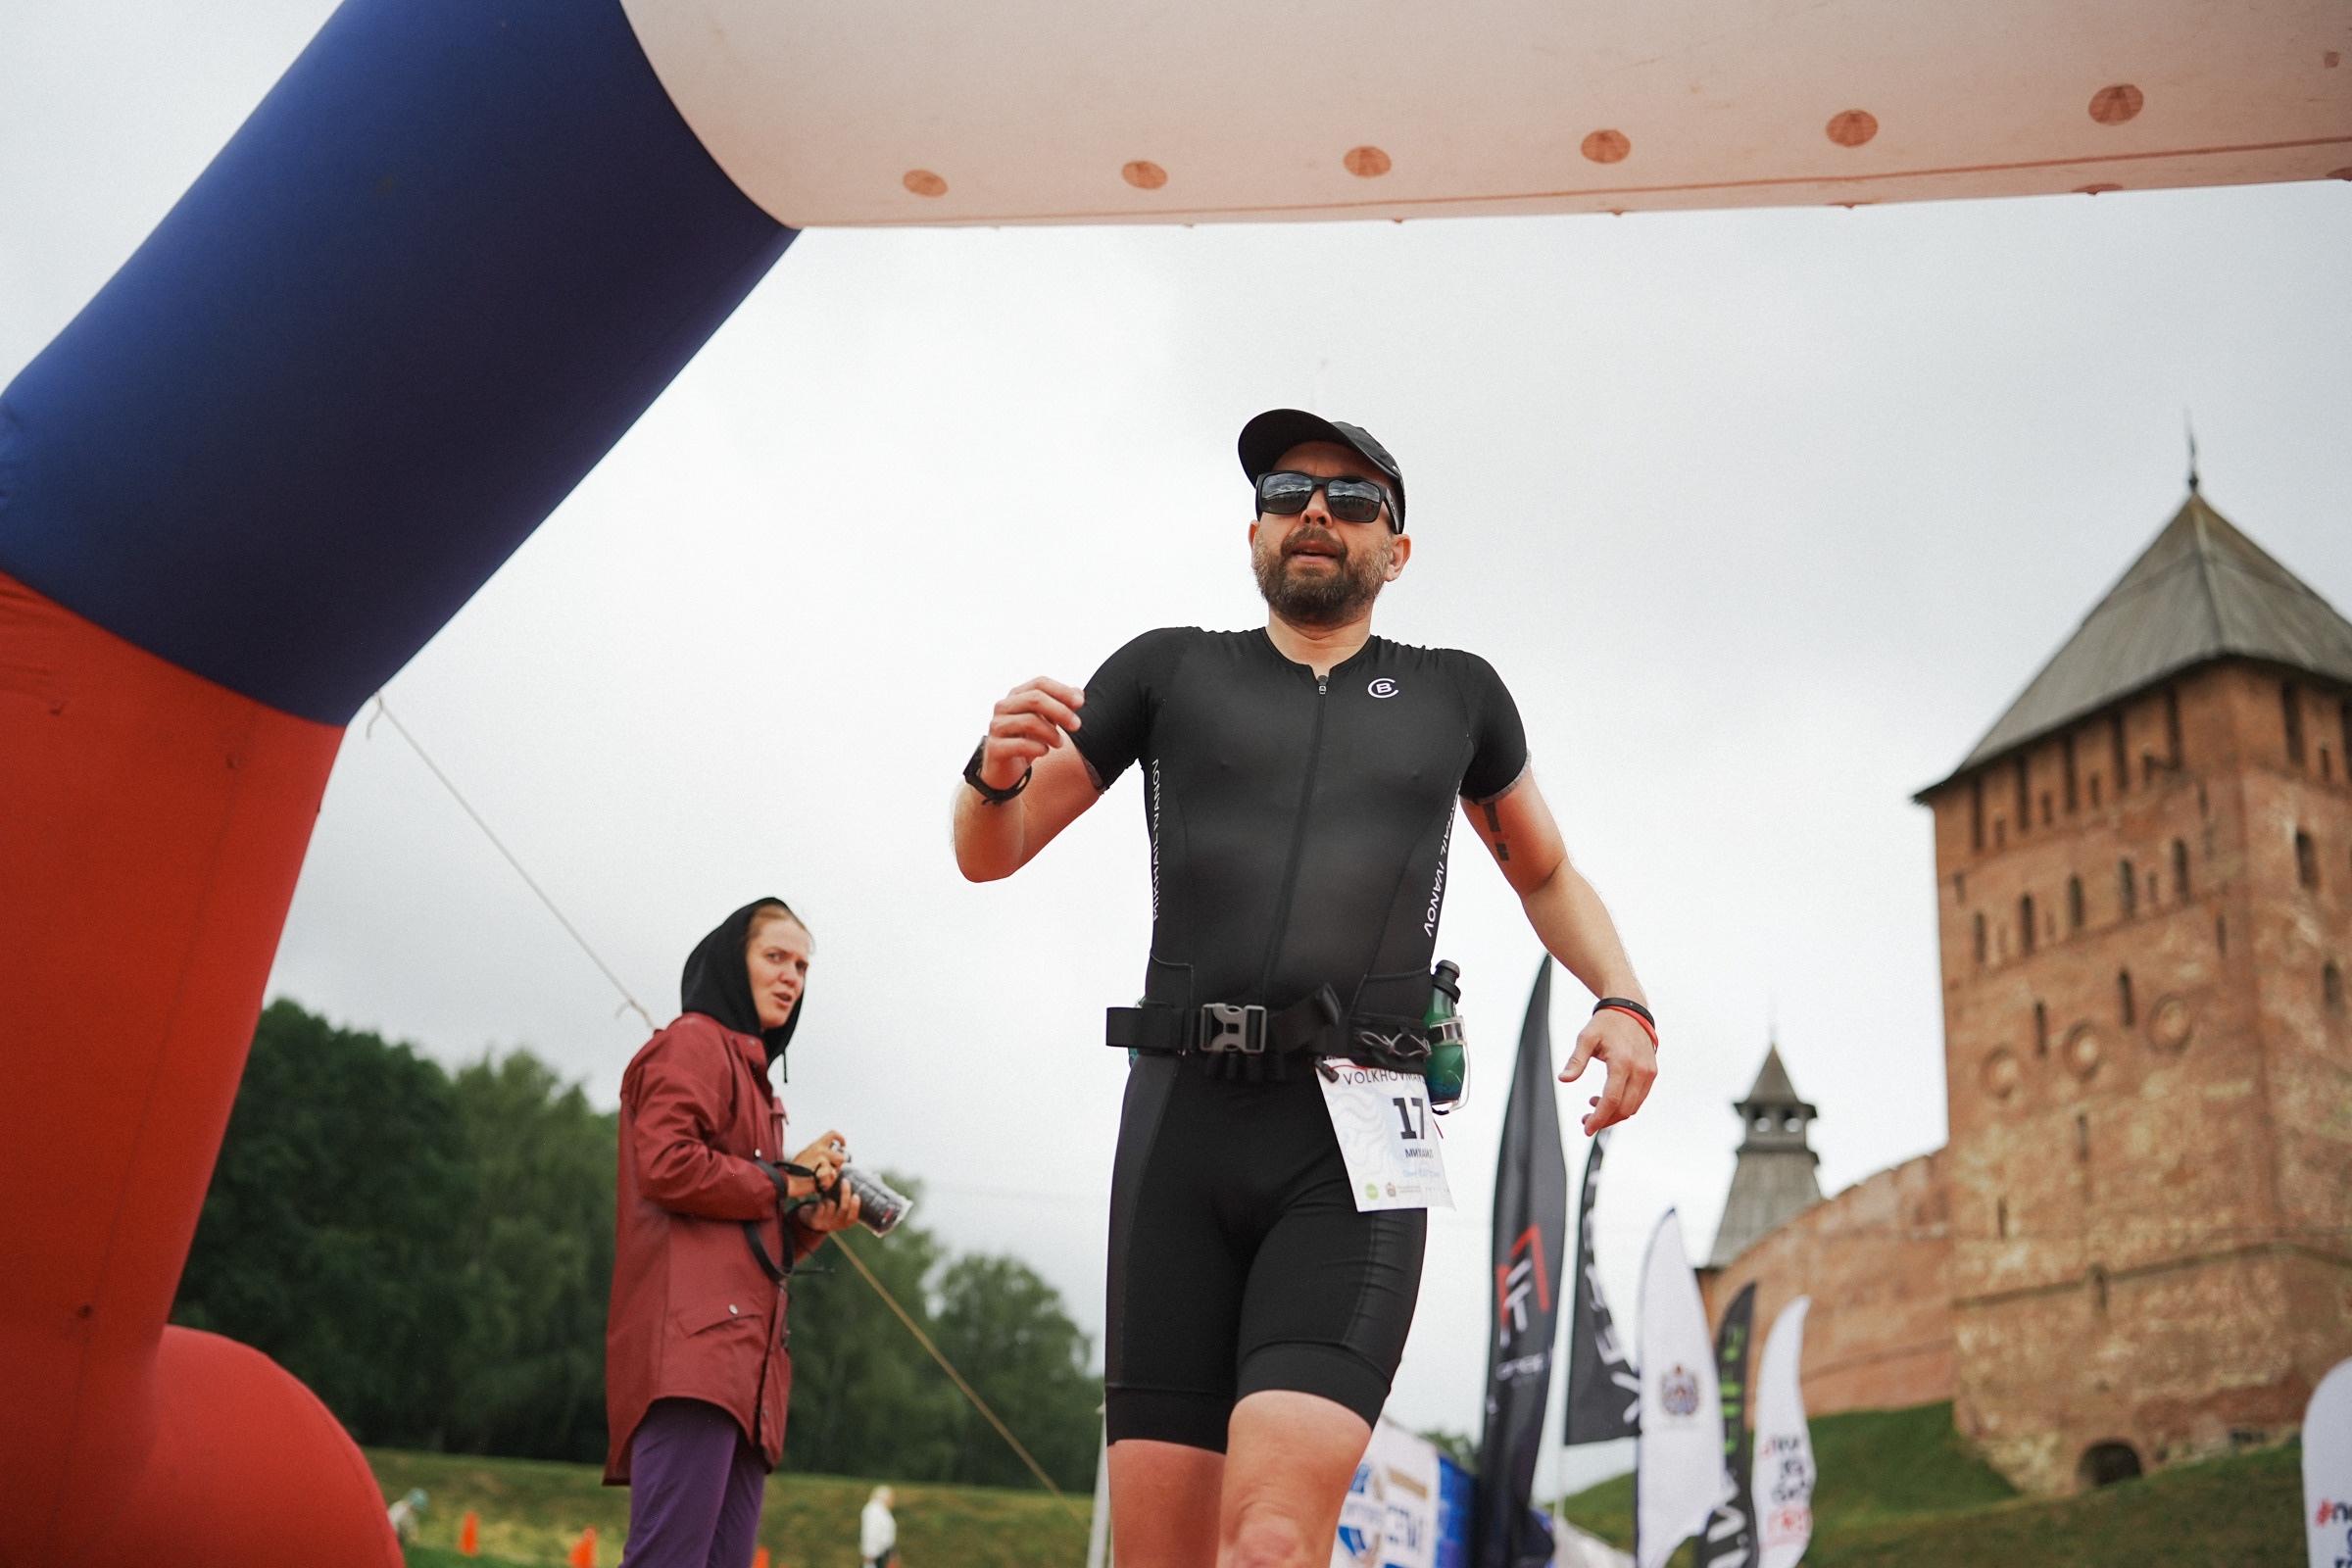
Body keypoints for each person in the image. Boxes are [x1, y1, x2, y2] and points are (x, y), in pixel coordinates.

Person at [951, 411, 1659, 1568]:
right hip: (1179, 1125)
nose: (1316, 512)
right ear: (1256, 530)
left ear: (1399, 547)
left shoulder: (1458, 697)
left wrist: (1623, 999)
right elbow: (993, 847)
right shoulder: (1166, 671)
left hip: (1352, 1142)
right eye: (1288, 491)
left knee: (1275, 1537)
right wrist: (990, 772)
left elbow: (1546, 871)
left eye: (1353, 497)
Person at [606, 899, 863, 1568]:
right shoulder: (695, 1041)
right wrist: (785, 1181)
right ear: (731, 962)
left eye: (802, 966)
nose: (791, 978)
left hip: (750, 1379)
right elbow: (665, 1165)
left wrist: (808, 1224)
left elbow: (738, 1228)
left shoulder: (759, 1086)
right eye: (774, 957)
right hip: (695, 1358)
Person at [859, 1485, 899, 1568]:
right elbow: (871, 1533)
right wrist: (871, 1556)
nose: (893, 1501)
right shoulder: (874, 1510)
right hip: (875, 1557)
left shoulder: (880, 1510)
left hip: (880, 1554)